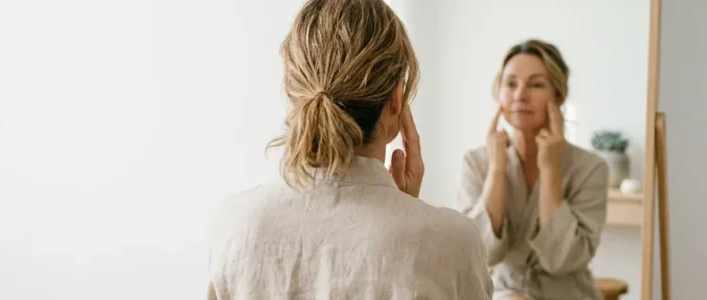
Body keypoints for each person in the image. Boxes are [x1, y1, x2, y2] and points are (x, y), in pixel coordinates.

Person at [206, 0, 493, 299]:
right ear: (397, 98)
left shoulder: (235, 225)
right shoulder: (453, 242)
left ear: (294, 88)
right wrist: (406, 221)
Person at [456, 39, 610, 300]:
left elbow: (564, 260)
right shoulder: (476, 163)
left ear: (558, 95)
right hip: (502, 293)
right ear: (499, 93)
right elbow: (479, 255)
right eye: (511, 84)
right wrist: (496, 170)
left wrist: (550, 170)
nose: (520, 95)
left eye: (536, 84)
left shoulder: (590, 168)